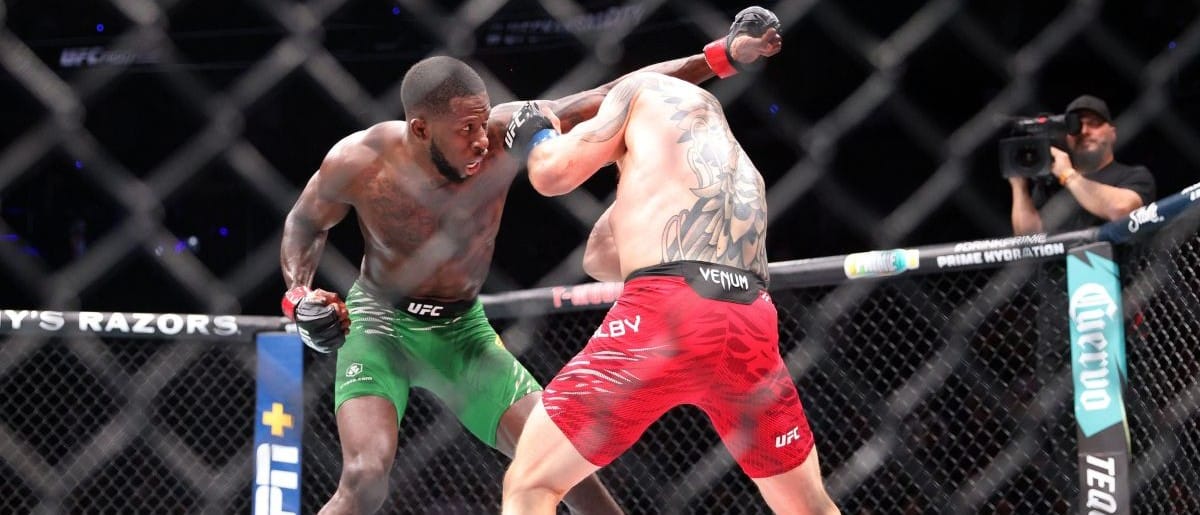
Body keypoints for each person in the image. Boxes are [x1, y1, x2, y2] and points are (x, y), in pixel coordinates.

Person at [279, 7, 784, 514]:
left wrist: (718, 56)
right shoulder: (359, 161)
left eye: (484, 120)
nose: (481, 139)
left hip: (462, 333)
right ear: (420, 129)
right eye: (466, 128)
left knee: (570, 472)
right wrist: (298, 296)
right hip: (380, 323)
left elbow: (609, 96)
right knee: (365, 478)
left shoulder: (501, 137)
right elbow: (305, 224)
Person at [500, 71, 840, 514]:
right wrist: (631, 184)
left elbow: (552, 174)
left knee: (532, 483)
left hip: (668, 307)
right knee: (809, 506)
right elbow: (600, 258)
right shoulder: (739, 168)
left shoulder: (637, 90)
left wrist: (538, 135)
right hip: (750, 318)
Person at [1009, 94, 1157, 235]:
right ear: (1067, 137)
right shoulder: (1051, 184)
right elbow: (1029, 238)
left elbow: (1122, 210)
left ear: (1112, 133)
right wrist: (1019, 185)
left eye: (1094, 124)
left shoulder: (1134, 176)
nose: (1084, 131)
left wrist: (1068, 175)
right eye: (1076, 126)